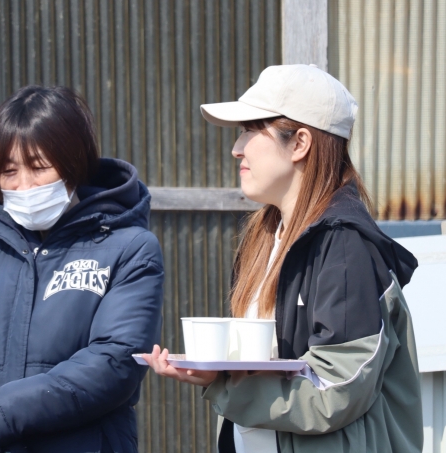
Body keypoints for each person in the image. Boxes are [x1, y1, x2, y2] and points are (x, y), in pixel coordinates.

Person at [143, 64, 423, 452]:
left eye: (250, 130)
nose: (236, 148)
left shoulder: (344, 245)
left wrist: (223, 385)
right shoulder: (263, 236)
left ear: (300, 144)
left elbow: (337, 390)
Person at [0, 85, 164, 453]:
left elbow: (114, 360)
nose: (24, 186)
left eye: (39, 168)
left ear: (74, 162)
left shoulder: (130, 247)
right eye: (8, 171)